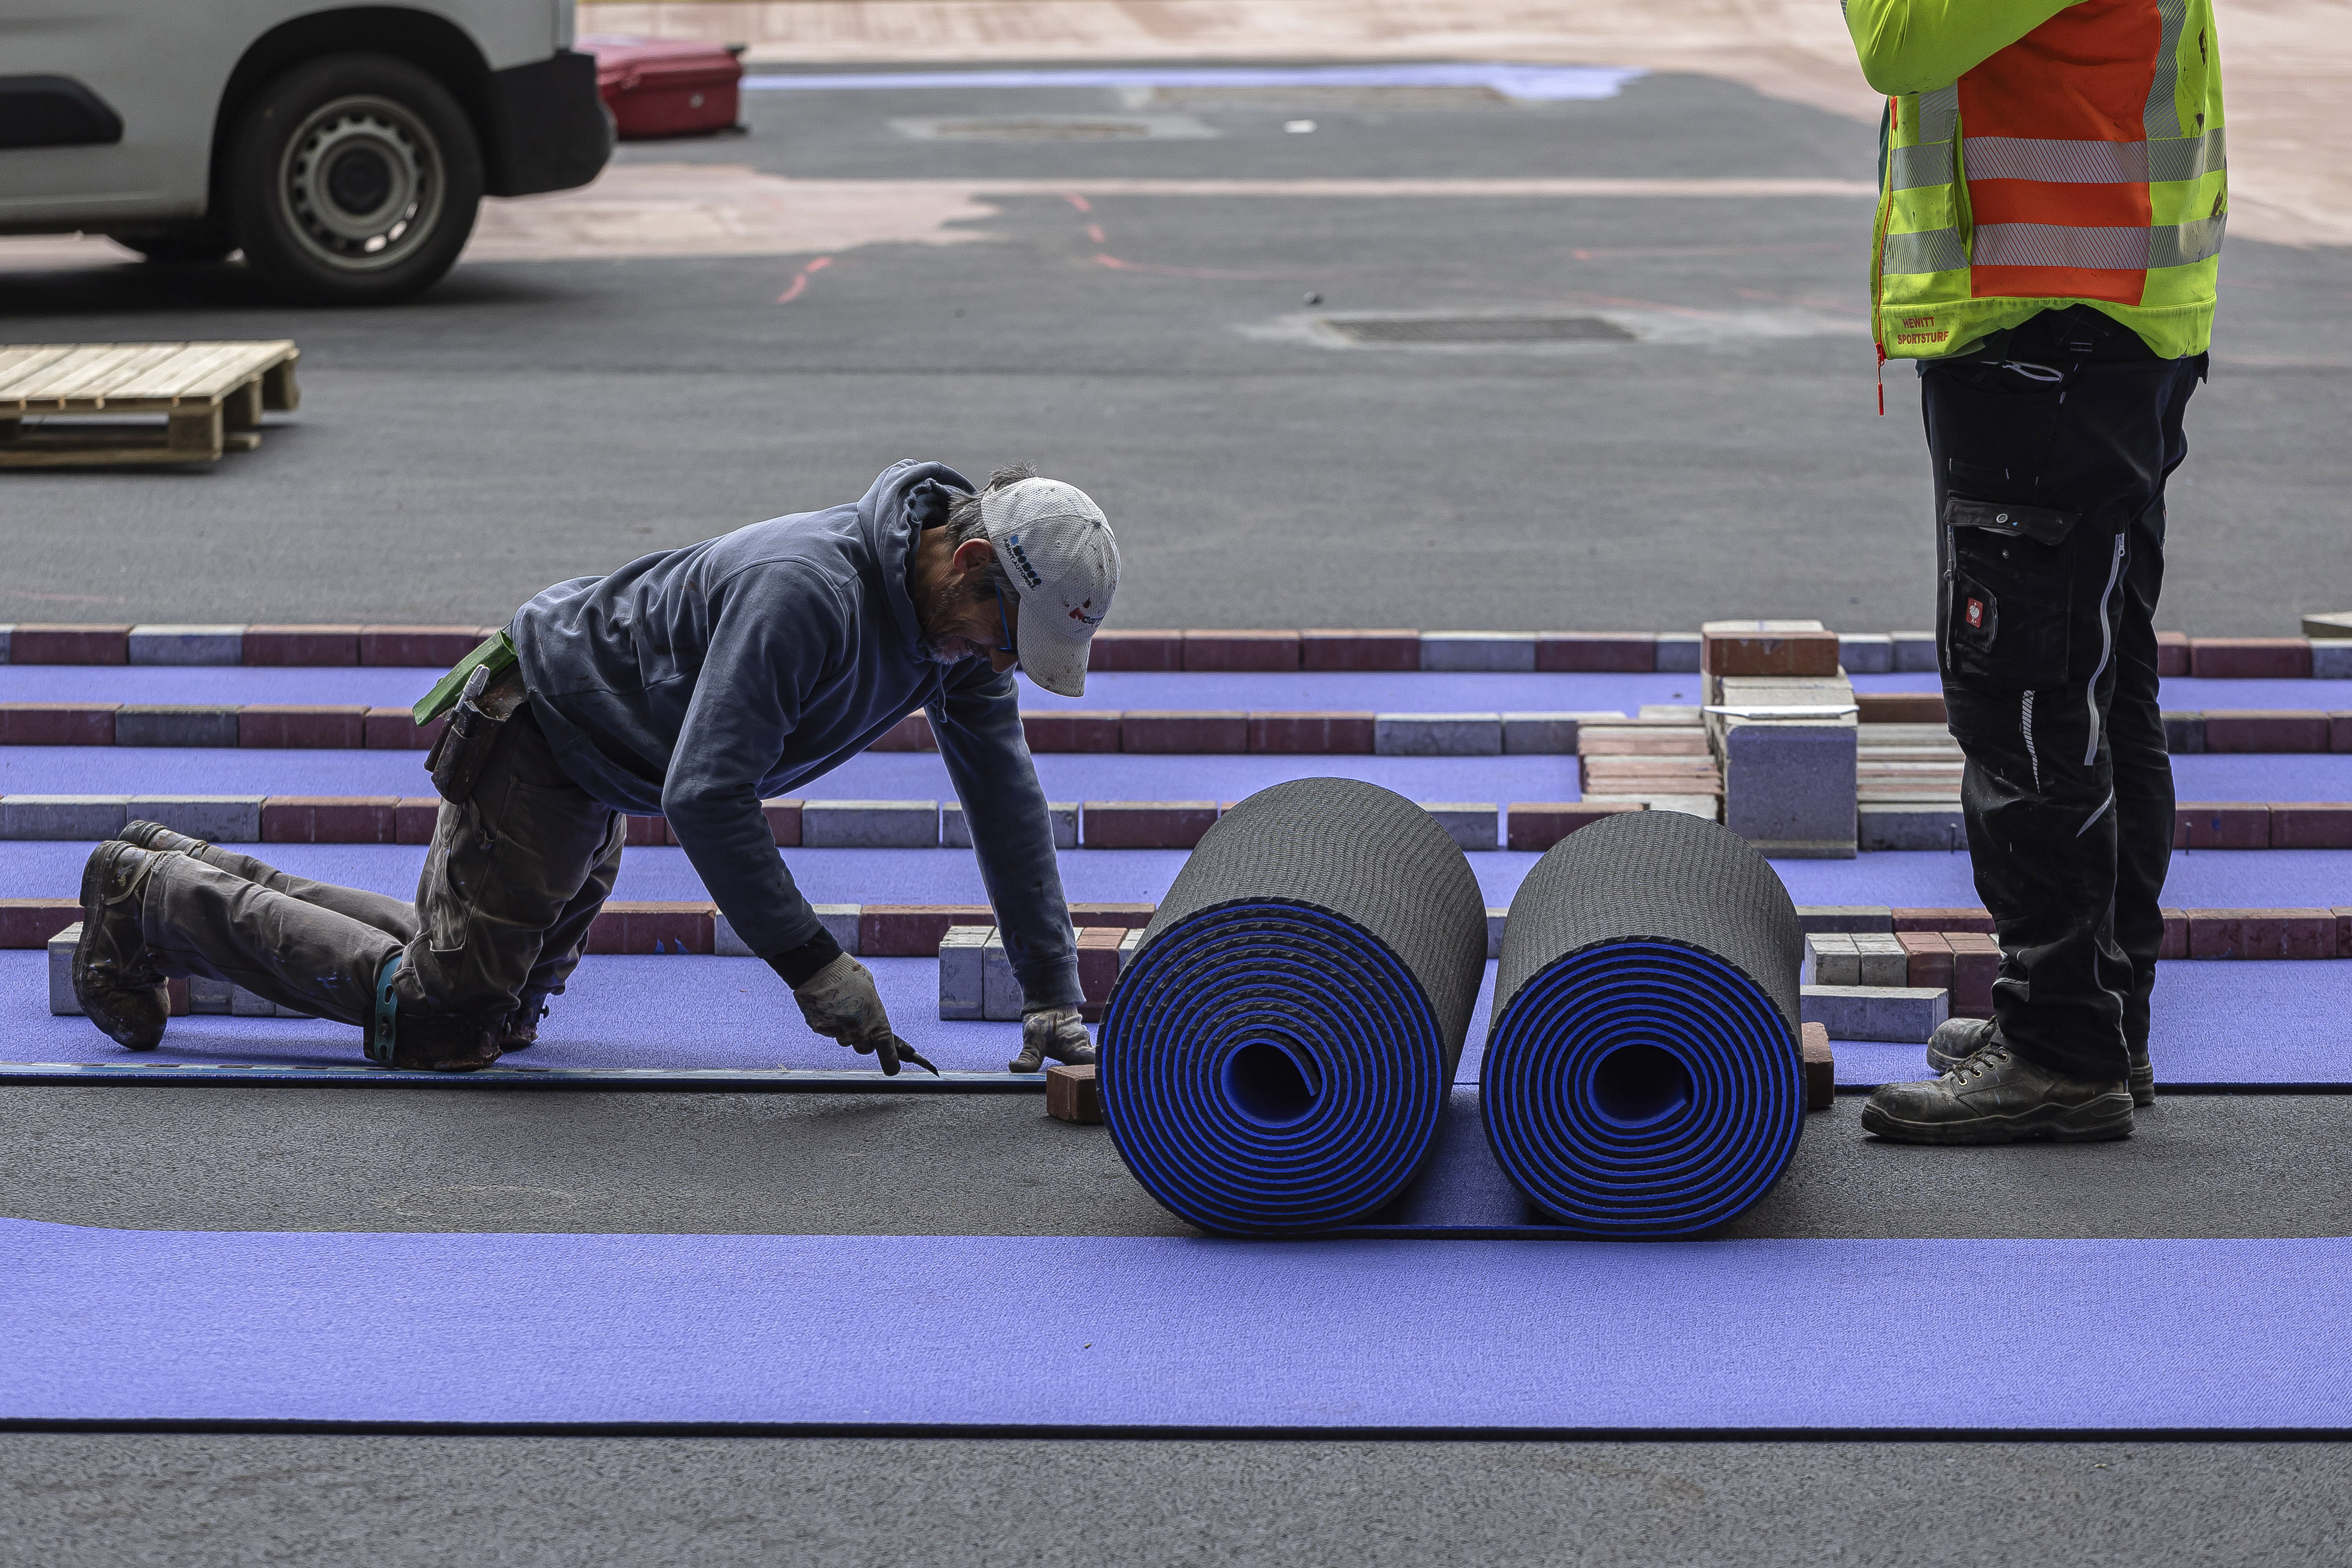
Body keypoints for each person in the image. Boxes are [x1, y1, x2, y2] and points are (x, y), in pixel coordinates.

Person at [69, 460, 1119, 1077]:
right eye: (1003, 640)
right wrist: (813, 964)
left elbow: (1005, 800)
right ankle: (149, 890)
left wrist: (1050, 992)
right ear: (974, 563)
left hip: (608, 760)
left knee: (497, 1011)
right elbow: (706, 796)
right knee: (439, 1024)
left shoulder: (957, 636)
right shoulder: (812, 595)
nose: (997, 667)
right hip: (548, 735)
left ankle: (177, 864)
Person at [1843, 0, 2226, 1142]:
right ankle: (2098, 1019)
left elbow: (1899, 41)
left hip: (2048, 316)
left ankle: (2059, 1048)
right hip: (2097, 311)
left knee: (2021, 693)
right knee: (2100, 685)